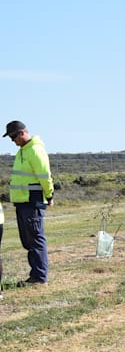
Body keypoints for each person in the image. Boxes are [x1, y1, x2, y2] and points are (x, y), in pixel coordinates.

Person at [6, 121, 53, 284]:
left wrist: (50, 195)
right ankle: (35, 275)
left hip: (32, 202)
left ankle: (39, 277)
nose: (12, 141)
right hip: (21, 202)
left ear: (22, 133)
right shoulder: (22, 151)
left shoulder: (35, 150)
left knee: (35, 239)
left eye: (13, 136)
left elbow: (44, 176)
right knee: (28, 241)